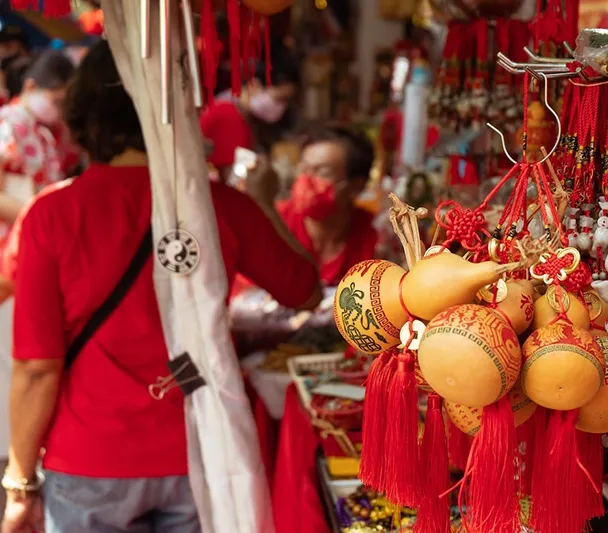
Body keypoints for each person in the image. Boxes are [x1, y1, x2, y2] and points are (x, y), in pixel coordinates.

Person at [1, 39, 320, 533]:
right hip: (200, 450)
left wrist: (20, 483)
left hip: (90, 459)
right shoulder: (221, 206)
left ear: (84, 114)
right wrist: (264, 202)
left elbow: (38, 368)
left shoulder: (52, 215)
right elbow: (305, 291)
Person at [278, 124, 378, 286]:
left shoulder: (376, 238)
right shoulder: (275, 221)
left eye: (323, 173)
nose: (306, 180)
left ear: (356, 186)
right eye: (304, 170)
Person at [0, 49, 78, 226]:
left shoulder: (56, 130)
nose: (60, 110)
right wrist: (39, 218)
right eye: (56, 101)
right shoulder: (6, 123)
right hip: (13, 239)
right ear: (30, 87)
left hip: (43, 232)